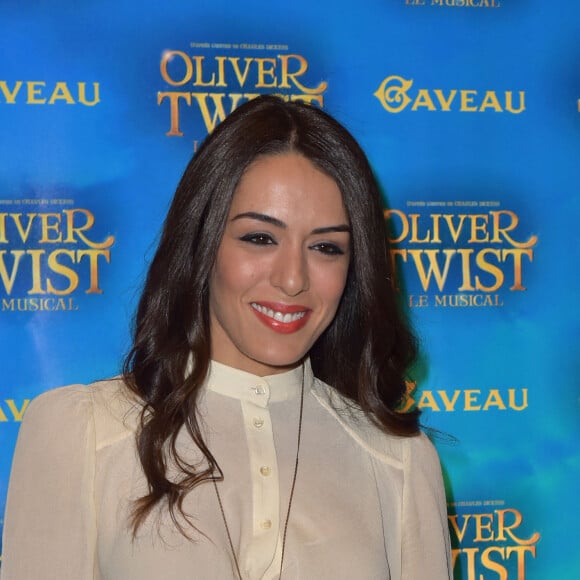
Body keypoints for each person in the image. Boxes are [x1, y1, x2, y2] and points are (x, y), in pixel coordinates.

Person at [1, 95, 452, 579]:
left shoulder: (399, 461)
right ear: (202, 242)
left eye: (325, 247)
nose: (293, 279)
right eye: (260, 238)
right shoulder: (83, 436)